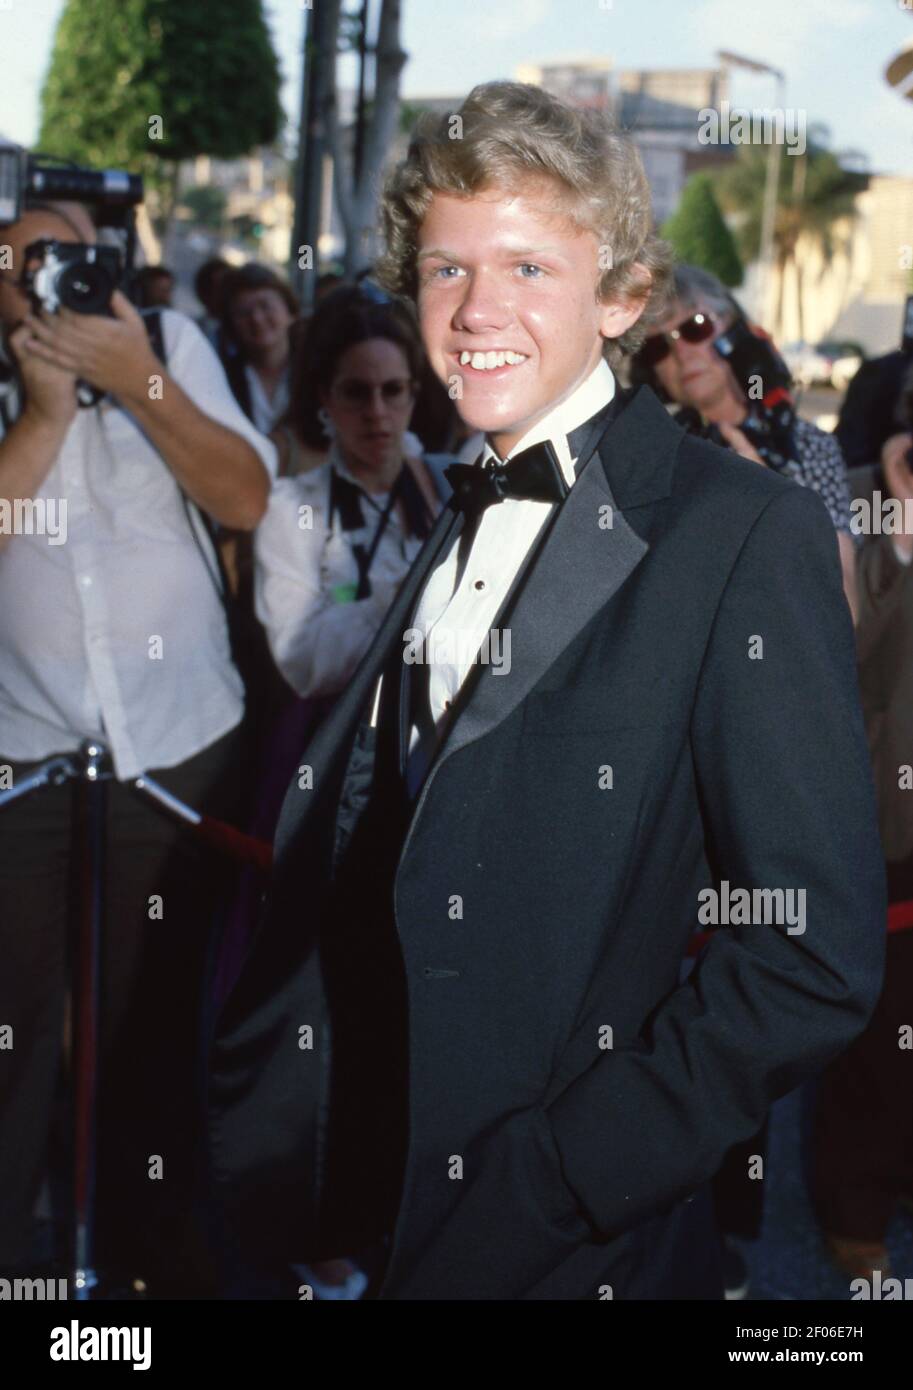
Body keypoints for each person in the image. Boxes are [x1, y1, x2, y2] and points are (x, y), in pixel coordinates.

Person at [209, 81, 886, 1301]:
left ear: (621, 297)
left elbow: (810, 957)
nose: (475, 312)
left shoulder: (740, 534)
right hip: (368, 1203)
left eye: (528, 267)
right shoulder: (456, 487)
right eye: (444, 269)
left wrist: (559, 1177)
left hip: (571, 1244)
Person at [0, 189, 276, 1295]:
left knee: (153, 1026)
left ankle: (149, 1266)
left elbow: (246, 498)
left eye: (69, 260)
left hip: (174, 750)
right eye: (23, 266)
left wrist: (136, 381)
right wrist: (46, 413)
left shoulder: (169, 344)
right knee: (13, 1032)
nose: (49, 281)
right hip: (22, 757)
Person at [812, 427, 913, 1280]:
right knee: (874, 1041)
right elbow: (842, 651)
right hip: (884, 822)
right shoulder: (849, 495)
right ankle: (854, 1218)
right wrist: (899, 524)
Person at [256, 285, 451, 701]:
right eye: (356, 392)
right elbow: (301, 661)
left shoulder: (453, 486)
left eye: (392, 390)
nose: (377, 412)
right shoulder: (293, 509)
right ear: (326, 397)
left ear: (413, 394)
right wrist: (398, 603)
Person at [634, 264, 859, 622]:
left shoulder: (808, 446)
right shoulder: (651, 454)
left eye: (695, 328)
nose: (681, 354)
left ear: (736, 334)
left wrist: (767, 503)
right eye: (659, 347)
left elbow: (845, 607)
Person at [220, 263, 298, 435]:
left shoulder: (315, 371)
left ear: (290, 311)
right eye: (243, 312)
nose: (256, 319)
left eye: (265, 306)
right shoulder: (221, 376)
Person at [194, 256, 231, 352]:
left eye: (226, 286)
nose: (222, 294)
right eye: (216, 287)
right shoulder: (194, 331)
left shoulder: (244, 330)